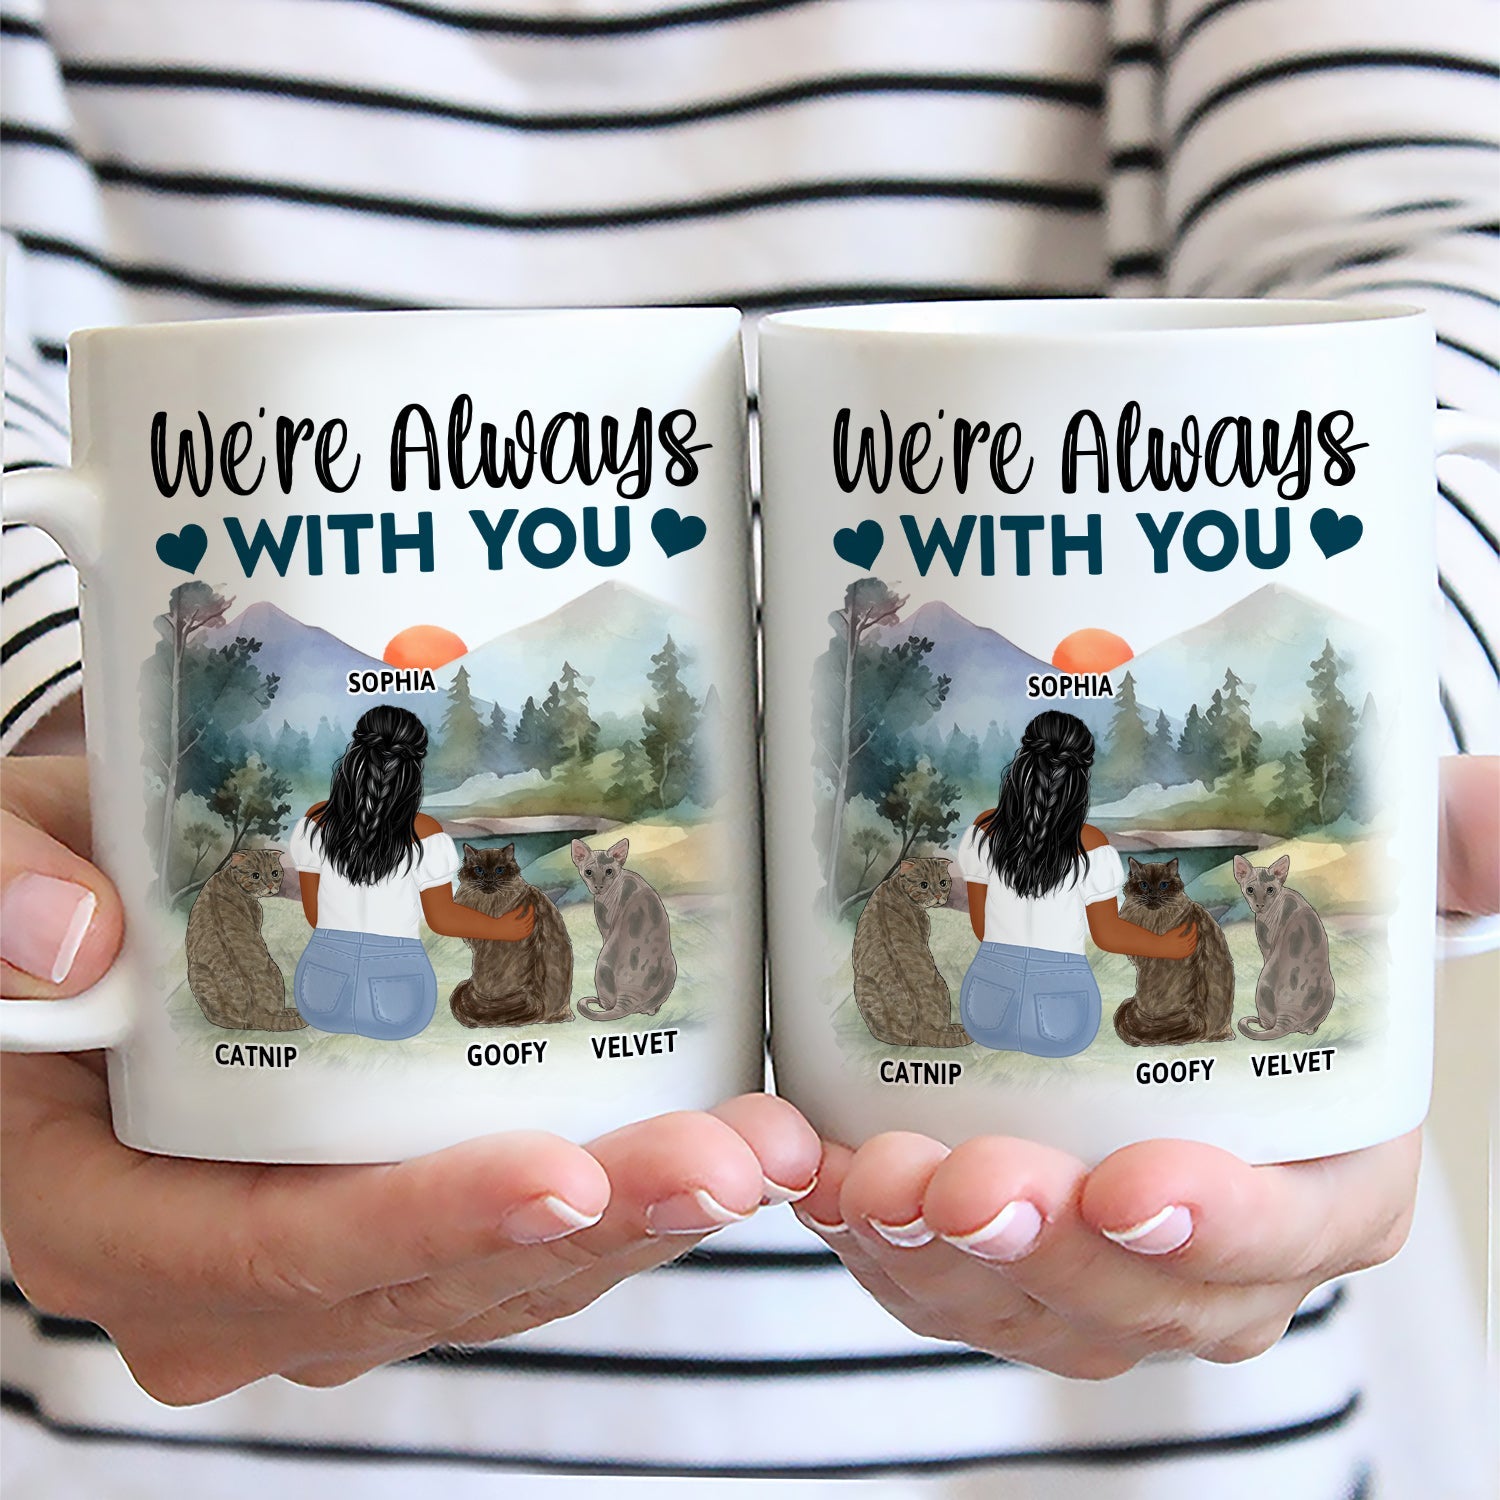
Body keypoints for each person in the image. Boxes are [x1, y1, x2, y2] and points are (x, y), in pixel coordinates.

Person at [2, 3, 1497, 1496]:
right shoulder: (1075, 852)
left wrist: (1405, 740)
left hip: (1128, 1364)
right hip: (164, 1382)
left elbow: (1441, 292)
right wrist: (63, 746)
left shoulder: (971, 842)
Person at [955, 710, 1196, 1057]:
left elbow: (982, 929)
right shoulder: (1090, 844)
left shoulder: (984, 829)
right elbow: (1107, 934)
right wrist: (1164, 946)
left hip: (984, 1010)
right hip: (1064, 1019)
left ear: (1022, 763)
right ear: (1080, 779)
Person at [288, 705, 534, 1040]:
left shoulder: (315, 820)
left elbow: (315, 916)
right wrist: (499, 928)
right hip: (398, 1002)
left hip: (318, 994)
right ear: (412, 771)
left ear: (354, 756)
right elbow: (442, 919)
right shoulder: (425, 832)